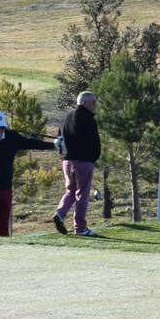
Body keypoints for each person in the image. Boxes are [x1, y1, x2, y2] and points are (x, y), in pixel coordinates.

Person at [53, 91, 101, 237]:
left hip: (67, 162)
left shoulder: (66, 117)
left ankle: (60, 213)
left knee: (70, 191)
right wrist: (94, 158)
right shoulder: (89, 119)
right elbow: (95, 143)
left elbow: (59, 139)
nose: (95, 106)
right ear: (85, 103)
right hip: (83, 163)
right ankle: (80, 228)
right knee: (82, 194)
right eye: (93, 102)